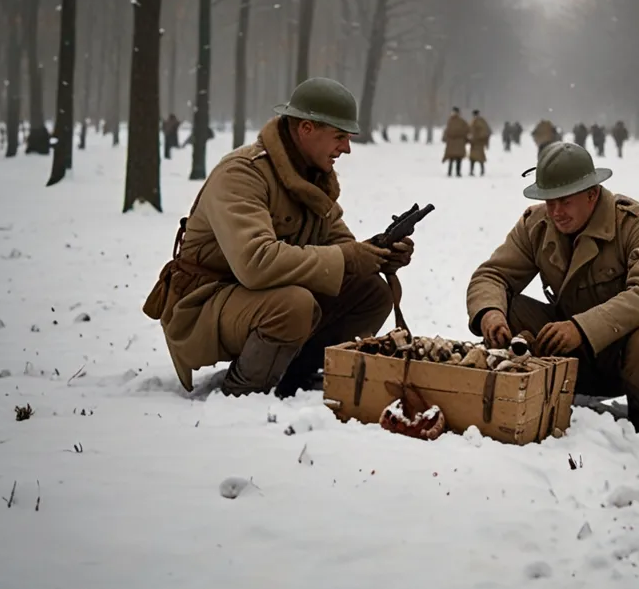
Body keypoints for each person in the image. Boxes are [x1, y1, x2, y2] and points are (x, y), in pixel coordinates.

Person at [143, 78, 414, 398]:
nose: (346, 148)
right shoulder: (242, 173)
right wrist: (348, 258)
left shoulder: (311, 178)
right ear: (306, 129)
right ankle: (241, 393)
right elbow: (255, 263)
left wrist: (377, 254)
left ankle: (294, 375)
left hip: (253, 298)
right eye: (339, 136)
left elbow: (339, 245)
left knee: (372, 293)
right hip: (203, 304)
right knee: (293, 305)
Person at [466, 142, 639, 438]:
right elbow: (492, 275)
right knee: (507, 307)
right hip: (566, 346)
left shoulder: (636, 222)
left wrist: (581, 328)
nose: (555, 212)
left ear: (592, 194)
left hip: (625, 352)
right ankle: (528, 397)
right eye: (549, 201)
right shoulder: (536, 225)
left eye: (565, 201)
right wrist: (490, 313)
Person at [443, 107, 469, 177]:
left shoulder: (458, 121)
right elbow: (447, 130)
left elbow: (467, 130)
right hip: (454, 142)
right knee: (453, 158)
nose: (453, 113)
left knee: (456, 158)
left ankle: (455, 172)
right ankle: (452, 172)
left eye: (454, 112)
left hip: (456, 142)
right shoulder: (452, 121)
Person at [468, 109, 492, 176]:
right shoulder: (475, 121)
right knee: (474, 158)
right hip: (474, 143)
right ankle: (473, 171)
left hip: (478, 143)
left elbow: (486, 131)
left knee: (479, 158)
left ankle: (481, 171)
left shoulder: (480, 121)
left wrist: (479, 137)